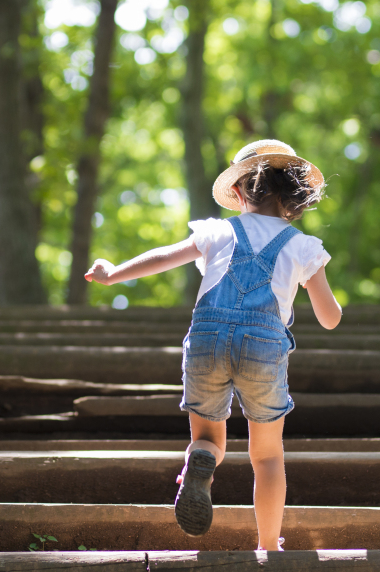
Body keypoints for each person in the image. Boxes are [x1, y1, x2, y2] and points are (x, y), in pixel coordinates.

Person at [84, 140, 341, 551]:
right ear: (294, 199)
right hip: (263, 349)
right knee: (268, 456)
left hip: (207, 340)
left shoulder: (218, 230)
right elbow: (330, 319)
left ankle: (202, 459)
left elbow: (164, 256)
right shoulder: (303, 246)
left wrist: (113, 274)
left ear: (238, 194)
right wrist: (313, 282)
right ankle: (269, 544)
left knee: (208, 437)